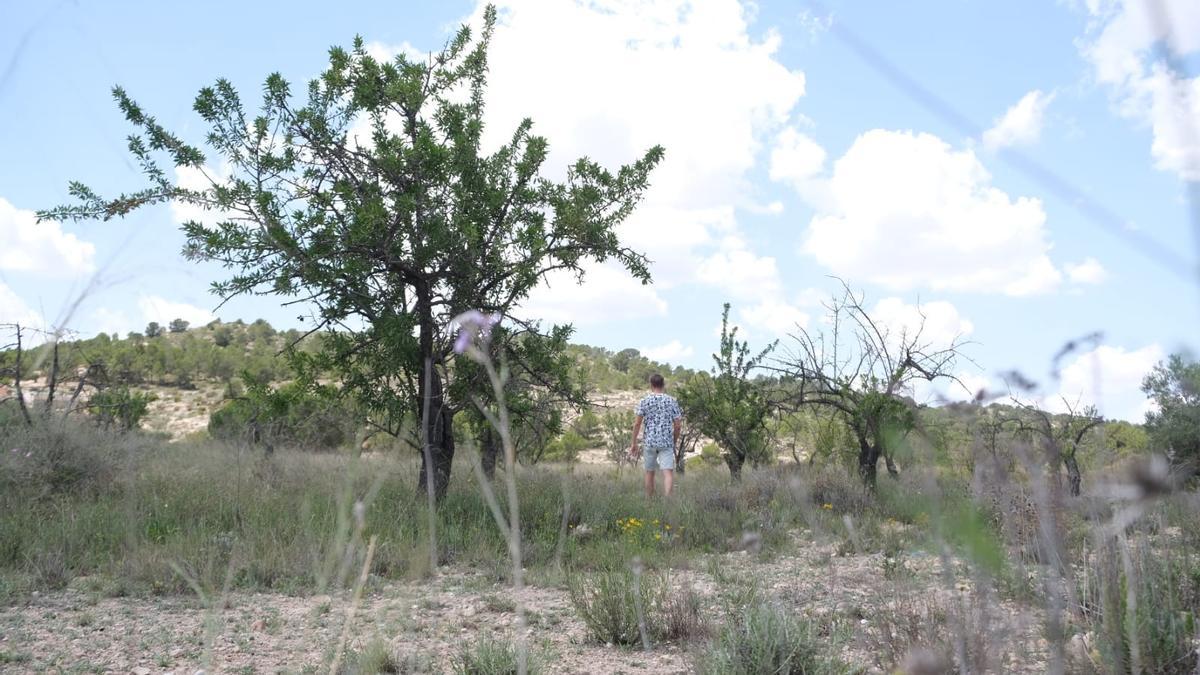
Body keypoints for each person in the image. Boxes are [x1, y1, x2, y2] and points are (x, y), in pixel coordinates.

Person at [629, 373, 682, 497]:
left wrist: (634, 443)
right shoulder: (671, 401)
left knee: (649, 472)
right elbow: (678, 425)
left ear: (651, 385)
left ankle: (649, 503)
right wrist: (673, 440)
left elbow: (637, 424)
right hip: (666, 442)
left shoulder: (644, 401)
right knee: (668, 472)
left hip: (649, 441)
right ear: (663, 384)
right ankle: (668, 502)